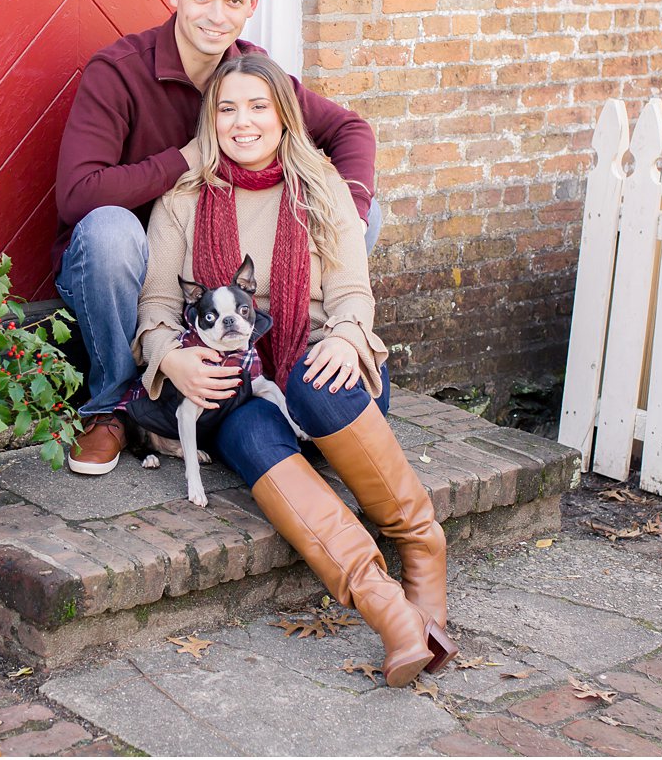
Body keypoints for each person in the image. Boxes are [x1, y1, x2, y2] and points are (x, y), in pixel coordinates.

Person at [132, 52, 455, 684]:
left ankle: (421, 544)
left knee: (314, 377)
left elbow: (352, 291)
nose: (242, 122)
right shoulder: (183, 198)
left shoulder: (322, 184)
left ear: (284, 116)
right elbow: (156, 310)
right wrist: (174, 358)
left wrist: (344, 336)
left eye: (258, 107)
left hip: (320, 381)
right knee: (247, 431)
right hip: (241, 383)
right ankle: (389, 611)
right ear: (210, 119)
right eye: (227, 109)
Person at [54, 0, 379, 476]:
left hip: (227, 279)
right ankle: (111, 406)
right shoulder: (119, 73)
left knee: (360, 210)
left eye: (233, 0)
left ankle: (279, 348)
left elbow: (351, 131)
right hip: (130, 268)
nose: (215, 15)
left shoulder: (255, 74)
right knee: (112, 231)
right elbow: (77, 196)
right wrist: (186, 157)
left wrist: (342, 209)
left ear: (252, 3)